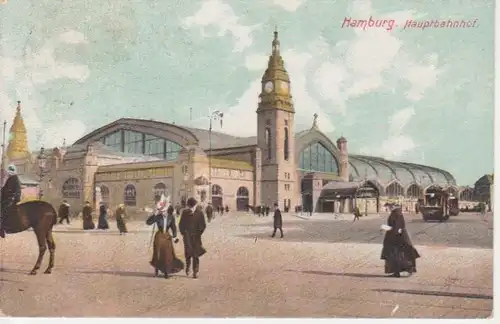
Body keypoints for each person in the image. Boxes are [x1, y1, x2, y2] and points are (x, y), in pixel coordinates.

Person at [146, 197, 184, 279]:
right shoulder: (158, 216)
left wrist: (174, 237)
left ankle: (166, 272)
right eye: (161, 210)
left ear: (167, 210)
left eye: (164, 210)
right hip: (159, 236)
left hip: (167, 236)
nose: (162, 212)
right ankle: (156, 269)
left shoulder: (171, 217)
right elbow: (148, 222)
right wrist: (154, 215)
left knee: (167, 255)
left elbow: (173, 227)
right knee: (158, 253)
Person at [381, 204, 420, 278]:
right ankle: (399, 271)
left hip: (396, 238)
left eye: (389, 207)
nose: (388, 208)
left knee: (395, 255)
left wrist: (388, 228)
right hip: (399, 237)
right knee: (399, 254)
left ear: (392, 206)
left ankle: (403, 270)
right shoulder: (397, 213)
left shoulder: (395, 213)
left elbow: (397, 227)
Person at [179, 197, 207, 279]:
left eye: (193, 206)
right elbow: (181, 225)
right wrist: (184, 233)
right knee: (188, 254)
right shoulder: (185, 212)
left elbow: (203, 225)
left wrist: (199, 233)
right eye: (190, 206)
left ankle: (195, 271)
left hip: (196, 237)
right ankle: (188, 267)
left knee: (196, 255)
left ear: (195, 205)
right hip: (187, 237)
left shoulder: (200, 213)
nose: (191, 208)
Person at [0, 165, 22, 238]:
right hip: (4, 200)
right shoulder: (9, 179)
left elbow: (18, 191)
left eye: (10, 172)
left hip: (9, 200)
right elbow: (4, 189)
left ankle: (2, 229)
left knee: (4, 213)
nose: (9, 173)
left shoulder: (15, 179)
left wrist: (14, 199)